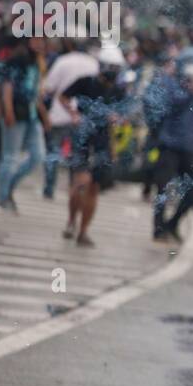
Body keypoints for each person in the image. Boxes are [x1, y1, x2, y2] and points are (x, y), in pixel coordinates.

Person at [57, 47, 126, 247]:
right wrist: (74, 115)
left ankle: (84, 231)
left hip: (102, 141)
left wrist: (117, 119)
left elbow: (121, 113)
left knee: (94, 188)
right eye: (111, 67)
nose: (113, 71)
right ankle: (71, 221)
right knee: (81, 184)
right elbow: (63, 96)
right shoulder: (86, 82)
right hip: (82, 137)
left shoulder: (118, 90)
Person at [151, 58, 193, 242]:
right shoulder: (175, 91)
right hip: (170, 146)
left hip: (189, 148)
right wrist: (190, 90)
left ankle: (173, 224)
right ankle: (159, 229)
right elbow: (172, 105)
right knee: (163, 190)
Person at [0, 33, 49, 213]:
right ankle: (2, 198)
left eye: (42, 40)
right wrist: (8, 111)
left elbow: (36, 93)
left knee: (38, 155)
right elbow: (7, 86)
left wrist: (44, 116)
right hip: (15, 113)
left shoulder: (36, 63)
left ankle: (9, 187)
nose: (39, 44)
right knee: (10, 157)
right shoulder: (18, 60)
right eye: (36, 40)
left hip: (31, 116)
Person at [41, 36, 99, 199]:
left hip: (59, 114)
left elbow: (49, 87)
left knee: (53, 151)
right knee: (78, 154)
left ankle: (49, 188)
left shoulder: (62, 61)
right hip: (82, 117)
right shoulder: (93, 63)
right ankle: (74, 188)